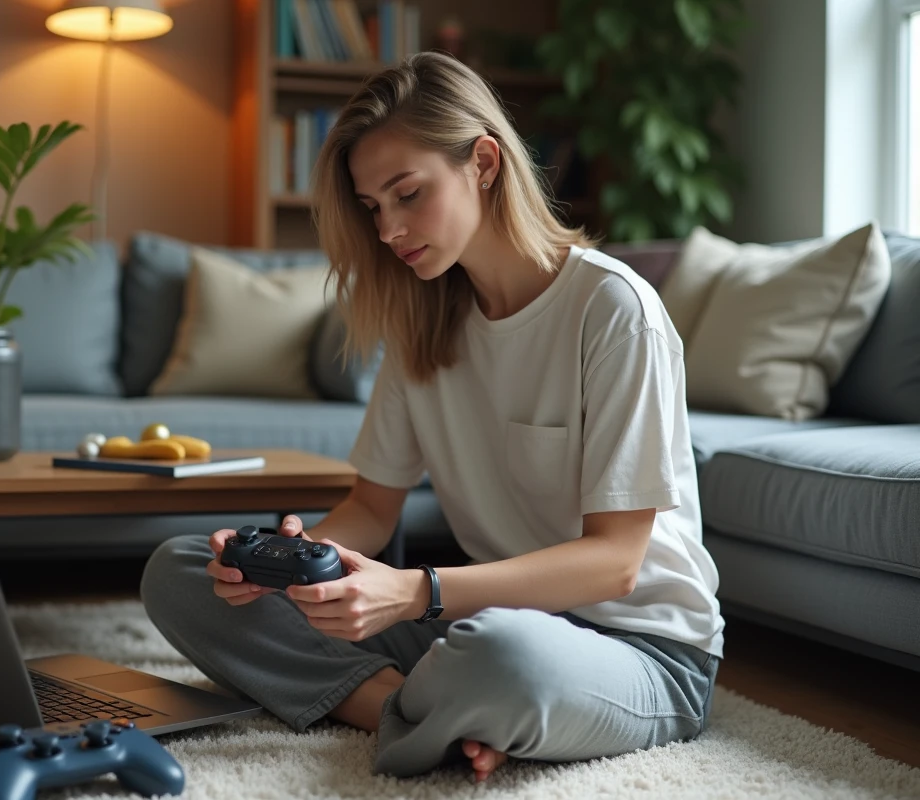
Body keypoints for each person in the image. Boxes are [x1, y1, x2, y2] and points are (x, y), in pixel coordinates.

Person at [140, 51, 723, 782]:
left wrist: (418, 591)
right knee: (183, 571)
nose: (388, 230)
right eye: (373, 207)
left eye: (408, 194)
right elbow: (371, 508)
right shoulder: (423, 323)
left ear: (483, 162)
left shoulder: (612, 311)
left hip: (639, 647)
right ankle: (413, 709)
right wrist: (288, 567)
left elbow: (617, 563)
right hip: (478, 622)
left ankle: (444, 702)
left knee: (501, 658)